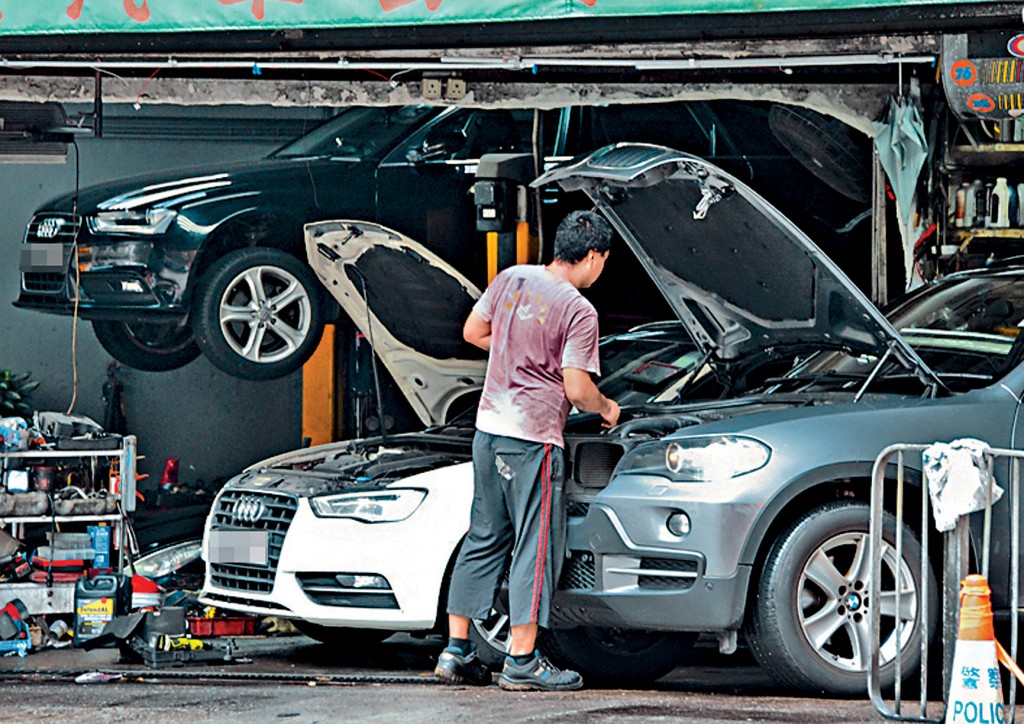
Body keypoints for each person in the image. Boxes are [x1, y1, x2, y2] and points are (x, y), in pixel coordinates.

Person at [433, 209, 620, 691]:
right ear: (595, 256)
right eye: (604, 261)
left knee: (483, 537)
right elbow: (578, 390)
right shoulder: (579, 311)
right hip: (532, 440)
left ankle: (456, 651)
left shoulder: (511, 278)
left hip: (488, 431)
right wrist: (608, 408)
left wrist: (513, 351)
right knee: (534, 550)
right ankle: (522, 660)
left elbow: (473, 333)